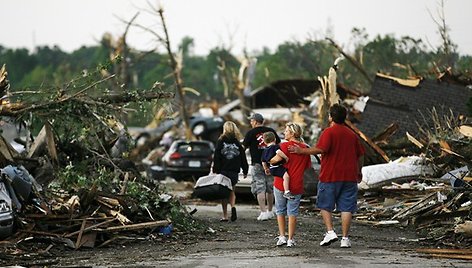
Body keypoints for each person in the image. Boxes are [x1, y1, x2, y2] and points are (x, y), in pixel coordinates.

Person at [289, 104, 365, 248]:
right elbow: (360, 155)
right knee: (347, 207)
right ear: (345, 117)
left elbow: (320, 149)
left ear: (330, 117)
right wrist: (359, 171)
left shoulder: (328, 132)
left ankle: (330, 231)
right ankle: (345, 239)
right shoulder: (352, 134)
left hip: (330, 176)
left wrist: (300, 151)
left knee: (325, 204)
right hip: (349, 176)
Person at [270, 122, 311, 247]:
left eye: (286, 131)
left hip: (280, 183)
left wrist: (270, 160)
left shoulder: (283, 146)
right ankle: (290, 239)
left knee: (280, 210)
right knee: (292, 212)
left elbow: (274, 160)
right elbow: (307, 167)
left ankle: (282, 236)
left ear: (292, 133)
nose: (284, 133)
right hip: (297, 184)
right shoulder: (305, 148)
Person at [243, 113, 280, 221]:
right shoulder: (271, 131)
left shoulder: (250, 133)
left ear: (255, 121)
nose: (250, 123)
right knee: (270, 187)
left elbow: (244, 147)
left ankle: (263, 212)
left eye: (251, 121)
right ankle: (270, 210)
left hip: (257, 163)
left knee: (260, 187)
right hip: (271, 162)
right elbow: (278, 143)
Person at [213, 121, 249, 222]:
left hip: (223, 170)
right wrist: (245, 170)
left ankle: (225, 215)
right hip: (234, 171)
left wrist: (215, 169)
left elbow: (217, 156)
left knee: (224, 192)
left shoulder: (220, 141)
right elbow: (243, 157)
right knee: (232, 190)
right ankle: (233, 206)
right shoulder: (237, 142)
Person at [261, 131, 294, 200]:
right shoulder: (275, 147)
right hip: (277, 167)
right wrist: (286, 157)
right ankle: (287, 191)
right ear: (275, 139)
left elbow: (263, 161)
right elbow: (279, 152)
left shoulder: (265, 150)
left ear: (264, 142)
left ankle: (285, 191)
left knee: (282, 177)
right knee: (286, 176)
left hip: (271, 168)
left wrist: (266, 169)